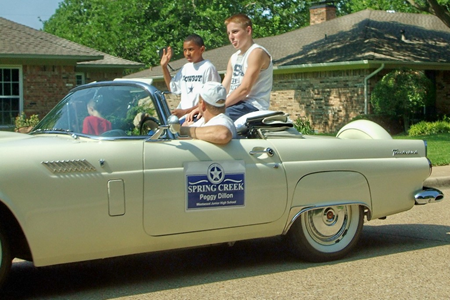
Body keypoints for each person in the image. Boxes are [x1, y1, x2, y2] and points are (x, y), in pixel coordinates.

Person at [222, 13, 273, 121]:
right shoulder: (233, 57)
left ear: (248, 30)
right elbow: (222, 90)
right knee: (195, 118)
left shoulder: (257, 52)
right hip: (233, 104)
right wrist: (202, 107)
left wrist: (218, 108)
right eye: (229, 33)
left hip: (252, 107)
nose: (231, 37)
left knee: (218, 120)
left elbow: (244, 89)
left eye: (235, 32)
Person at [160, 34, 221, 121]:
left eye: (191, 49)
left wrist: (185, 112)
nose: (187, 53)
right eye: (185, 50)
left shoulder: (208, 68)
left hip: (198, 116)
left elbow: (211, 99)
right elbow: (172, 88)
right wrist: (164, 67)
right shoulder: (185, 68)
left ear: (202, 49)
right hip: (183, 117)